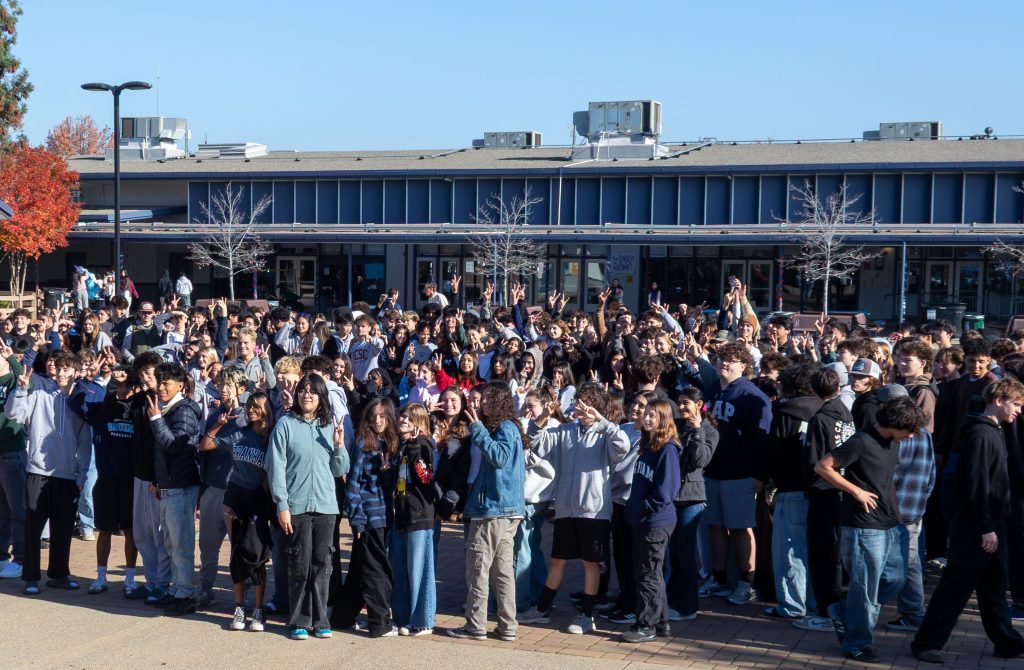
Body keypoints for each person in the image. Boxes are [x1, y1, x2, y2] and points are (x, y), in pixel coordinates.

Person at [912, 379, 1024, 663]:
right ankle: (926, 642)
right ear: (999, 400)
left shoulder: (994, 431)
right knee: (956, 585)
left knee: (994, 585)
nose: (1018, 411)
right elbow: (975, 485)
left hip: (991, 522)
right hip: (978, 526)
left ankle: (1007, 641)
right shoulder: (981, 435)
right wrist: (985, 526)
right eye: (1016, 404)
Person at [816, 396, 929, 663]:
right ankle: (857, 643)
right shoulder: (861, 441)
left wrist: (898, 516)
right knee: (865, 588)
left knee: (895, 579)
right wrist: (856, 491)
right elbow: (822, 466)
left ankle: (844, 612)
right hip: (864, 527)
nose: (912, 436)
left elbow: (887, 480)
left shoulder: (892, 443)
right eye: (910, 430)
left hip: (890, 524)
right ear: (897, 423)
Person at [518, 382, 631, 635]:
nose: (579, 408)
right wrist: (542, 420)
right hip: (566, 509)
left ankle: (586, 615)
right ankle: (542, 609)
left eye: (584, 403)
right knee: (558, 559)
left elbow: (622, 445)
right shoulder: (565, 431)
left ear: (595, 406)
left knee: (590, 563)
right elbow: (536, 444)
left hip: (594, 511)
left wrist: (601, 421)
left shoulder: (606, 433)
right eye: (577, 402)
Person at [268, 373, 350, 640]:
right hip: (297, 505)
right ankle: (298, 621)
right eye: (303, 390)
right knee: (299, 564)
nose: (307, 395)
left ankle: (320, 618)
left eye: (313, 391)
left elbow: (341, 469)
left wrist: (339, 446)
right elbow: (275, 468)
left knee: (322, 563)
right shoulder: (285, 424)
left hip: (327, 506)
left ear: (321, 396)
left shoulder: (329, 426)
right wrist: (282, 505)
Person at [5, 351, 91, 595]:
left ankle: (58, 574)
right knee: (34, 526)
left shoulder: (80, 400)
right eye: (59, 369)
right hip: (38, 471)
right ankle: (31, 577)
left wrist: (82, 474)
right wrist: (21, 390)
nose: (62, 374)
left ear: (76, 372)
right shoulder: (39, 394)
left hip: (67, 474)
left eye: (67, 370)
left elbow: (85, 442)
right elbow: (15, 414)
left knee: (62, 528)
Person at [447, 381, 526, 642]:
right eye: (484, 400)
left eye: (490, 400)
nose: (484, 404)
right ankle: (507, 625)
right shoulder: (511, 427)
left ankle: (475, 625)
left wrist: (477, 429)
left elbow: (499, 457)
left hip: (493, 510)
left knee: (479, 569)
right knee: (502, 573)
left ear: (502, 401)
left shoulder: (503, 427)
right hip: (506, 510)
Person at [699, 342, 772, 605]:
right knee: (715, 526)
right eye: (721, 359)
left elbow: (763, 439)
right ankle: (718, 578)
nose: (724, 363)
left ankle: (746, 582)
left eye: (731, 360)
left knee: (741, 528)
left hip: (740, 473)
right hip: (712, 471)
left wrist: (758, 474)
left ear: (744, 365)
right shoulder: (711, 392)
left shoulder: (750, 395)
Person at [202, 392, 275, 632]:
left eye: (256, 407)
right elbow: (206, 445)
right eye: (249, 406)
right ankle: (238, 608)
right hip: (235, 497)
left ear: (266, 411)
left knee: (256, 556)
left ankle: (258, 609)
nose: (251, 410)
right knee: (237, 554)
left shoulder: (271, 438)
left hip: (258, 500)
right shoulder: (238, 433)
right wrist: (219, 424)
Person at [335, 396, 399, 637]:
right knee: (376, 572)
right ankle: (379, 623)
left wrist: (386, 471)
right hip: (369, 518)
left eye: (383, 416)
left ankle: (342, 617)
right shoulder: (365, 443)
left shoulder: (390, 443)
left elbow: (387, 485)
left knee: (359, 570)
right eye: (374, 415)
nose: (378, 420)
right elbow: (353, 484)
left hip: (384, 516)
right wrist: (357, 519)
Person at [763, 363, 822, 621]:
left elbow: (774, 454)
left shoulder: (784, 413)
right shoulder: (826, 410)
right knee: (813, 548)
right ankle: (813, 601)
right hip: (821, 489)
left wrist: (770, 486)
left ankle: (791, 605)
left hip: (790, 488)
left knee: (789, 549)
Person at [621, 399, 682, 643]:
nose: (647, 419)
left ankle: (646, 624)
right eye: (646, 414)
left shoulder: (668, 449)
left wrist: (642, 510)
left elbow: (666, 492)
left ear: (664, 419)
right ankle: (662, 621)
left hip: (656, 522)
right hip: (644, 520)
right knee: (650, 573)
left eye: (653, 416)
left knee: (648, 573)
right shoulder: (649, 446)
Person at [147, 362, 203, 616]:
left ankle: (185, 594)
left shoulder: (185, 411)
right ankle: (177, 589)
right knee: (171, 543)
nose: (160, 388)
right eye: (159, 383)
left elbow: (175, 445)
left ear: (180, 385)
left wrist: (157, 420)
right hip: (169, 486)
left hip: (182, 486)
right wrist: (158, 481)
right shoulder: (168, 408)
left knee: (181, 544)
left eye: (166, 383)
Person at [667, 387, 718, 622]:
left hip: (691, 497)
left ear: (699, 404)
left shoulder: (710, 430)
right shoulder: (675, 426)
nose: (682, 407)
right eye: (679, 402)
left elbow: (700, 460)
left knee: (686, 554)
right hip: (671, 495)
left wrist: (697, 430)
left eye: (686, 402)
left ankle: (687, 607)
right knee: (674, 554)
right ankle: (672, 600)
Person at [389, 403, 437, 636]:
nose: (403, 421)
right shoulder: (400, 446)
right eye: (401, 416)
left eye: (409, 418)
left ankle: (423, 620)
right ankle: (402, 618)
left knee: (419, 571)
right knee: (399, 570)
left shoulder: (424, 445)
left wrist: (416, 448)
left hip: (419, 516)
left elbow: (425, 478)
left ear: (419, 422)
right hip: (401, 516)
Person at [0, 342, 26, 580]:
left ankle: (21, 559)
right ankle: (1, 557)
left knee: (17, 508)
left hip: (11, 450)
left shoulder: (11, 378)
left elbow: (25, 382)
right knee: (1, 510)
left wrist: (13, 360)